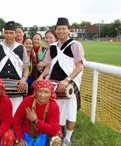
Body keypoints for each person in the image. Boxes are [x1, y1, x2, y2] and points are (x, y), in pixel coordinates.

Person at [38, 17, 85, 146]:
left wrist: (67, 80)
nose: (61, 31)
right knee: (53, 112)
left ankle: (67, 139)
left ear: (69, 30)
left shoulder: (76, 45)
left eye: (64, 29)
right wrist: (41, 77)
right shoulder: (52, 47)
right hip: (52, 83)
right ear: (55, 30)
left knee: (70, 113)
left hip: (69, 84)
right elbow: (48, 66)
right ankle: (54, 136)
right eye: (59, 29)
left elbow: (79, 66)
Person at [0, 21, 30, 115]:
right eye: (6, 33)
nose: (9, 35)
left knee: (15, 114)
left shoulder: (21, 48)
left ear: (15, 34)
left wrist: (23, 79)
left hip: (16, 85)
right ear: (3, 33)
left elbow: (26, 69)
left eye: (11, 33)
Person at [13, 80, 61, 146]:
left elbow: (53, 130)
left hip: (44, 134)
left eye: (46, 92)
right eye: (40, 91)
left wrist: (36, 121)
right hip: (26, 134)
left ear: (51, 93)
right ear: (35, 91)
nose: (42, 95)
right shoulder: (27, 101)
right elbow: (17, 120)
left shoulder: (54, 106)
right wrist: (20, 138)